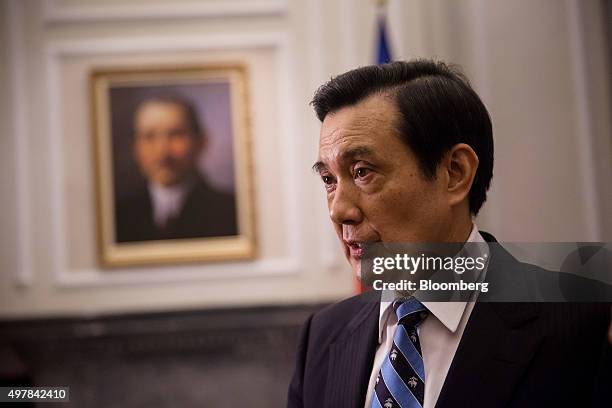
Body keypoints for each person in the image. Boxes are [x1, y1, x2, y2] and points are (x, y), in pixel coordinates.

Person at [287, 60, 611, 407]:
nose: (338, 210)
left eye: (363, 171)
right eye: (328, 180)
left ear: (455, 173)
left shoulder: (583, 328)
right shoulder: (323, 336)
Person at [115, 95, 237, 243]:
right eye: (149, 137)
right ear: (136, 147)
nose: (162, 152)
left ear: (201, 142)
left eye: (176, 135)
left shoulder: (230, 212)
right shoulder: (117, 214)